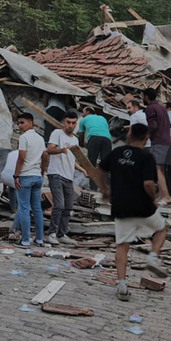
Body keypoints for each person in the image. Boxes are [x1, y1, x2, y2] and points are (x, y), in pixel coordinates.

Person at [95, 123, 169, 301]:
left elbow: (99, 170)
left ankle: (121, 285)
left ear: (129, 136)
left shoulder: (117, 153)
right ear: (146, 138)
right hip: (143, 206)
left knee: (122, 246)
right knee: (161, 230)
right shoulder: (147, 157)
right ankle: (152, 257)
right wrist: (153, 198)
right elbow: (148, 184)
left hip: (121, 206)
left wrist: (104, 189)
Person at [46, 112, 86, 246]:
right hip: (56, 174)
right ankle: (51, 234)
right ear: (64, 122)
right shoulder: (57, 133)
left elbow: (72, 160)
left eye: (73, 123)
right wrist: (61, 150)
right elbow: (49, 150)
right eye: (68, 122)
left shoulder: (75, 140)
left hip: (68, 176)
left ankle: (61, 234)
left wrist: (83, 170)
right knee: (59, 205)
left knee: (68, 207)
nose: (70, 125)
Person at [14, 113, 48, 247]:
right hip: (37, 176)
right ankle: (39, 239)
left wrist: (16, 175)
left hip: (25, 175)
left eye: (22, 122)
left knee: (23, 208)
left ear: (30, 123)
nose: (19, 125)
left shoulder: (24, 137)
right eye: (18, 123)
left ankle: (25, 240)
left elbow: (21, 158)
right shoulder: (40, 138)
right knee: (37, 209)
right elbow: (45, 156)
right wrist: (42, 172)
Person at [142, 88, 171, 204]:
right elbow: (169, 125)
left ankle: (166, 196)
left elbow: (153, 125)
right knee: (161, 170)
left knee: (156, 169)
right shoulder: (162, 108)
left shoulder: (150, 108)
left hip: (159, 142)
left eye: (142, 96)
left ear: (146, 97)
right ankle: (161, 197)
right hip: (169, 142)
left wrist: (145, 136)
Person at [78, 106, 112, 189]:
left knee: (91, 164)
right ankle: (106, 188)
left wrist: (81, 144)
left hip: (94, 139)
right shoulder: (102, 118)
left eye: (83, 112)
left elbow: (81, 134)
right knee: (106, 164)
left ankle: (93, 188)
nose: (82, 115)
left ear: (88, 112)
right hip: (107, 140)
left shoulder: (83, 120)